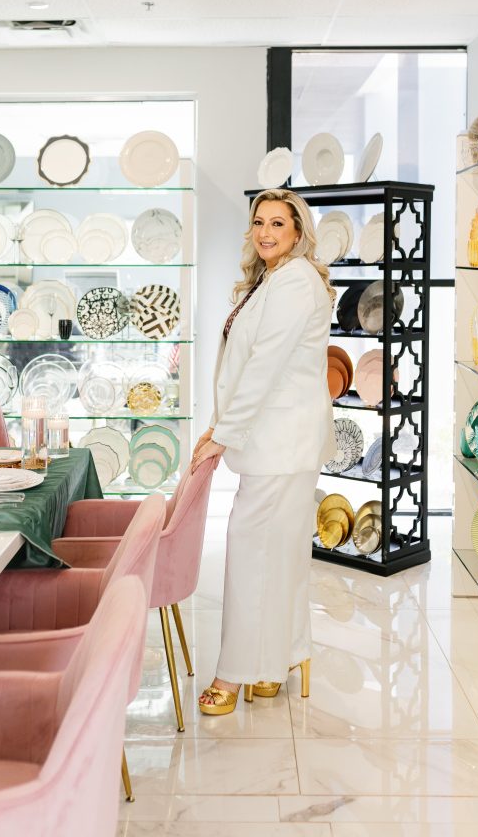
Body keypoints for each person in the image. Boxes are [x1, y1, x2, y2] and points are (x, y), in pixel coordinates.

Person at [191, 188, 337, 716]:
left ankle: (234, 674)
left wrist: (222, 433)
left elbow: (264, 367)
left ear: (298, 232)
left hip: (282, 443)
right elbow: (242, 366)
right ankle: (280, 661)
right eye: (259, 222)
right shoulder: (270, 281)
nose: (267, 232)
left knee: (253, 557)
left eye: (279, 223)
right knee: (277, 557)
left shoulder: (295, 283)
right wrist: (220, 422)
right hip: (280, 442)